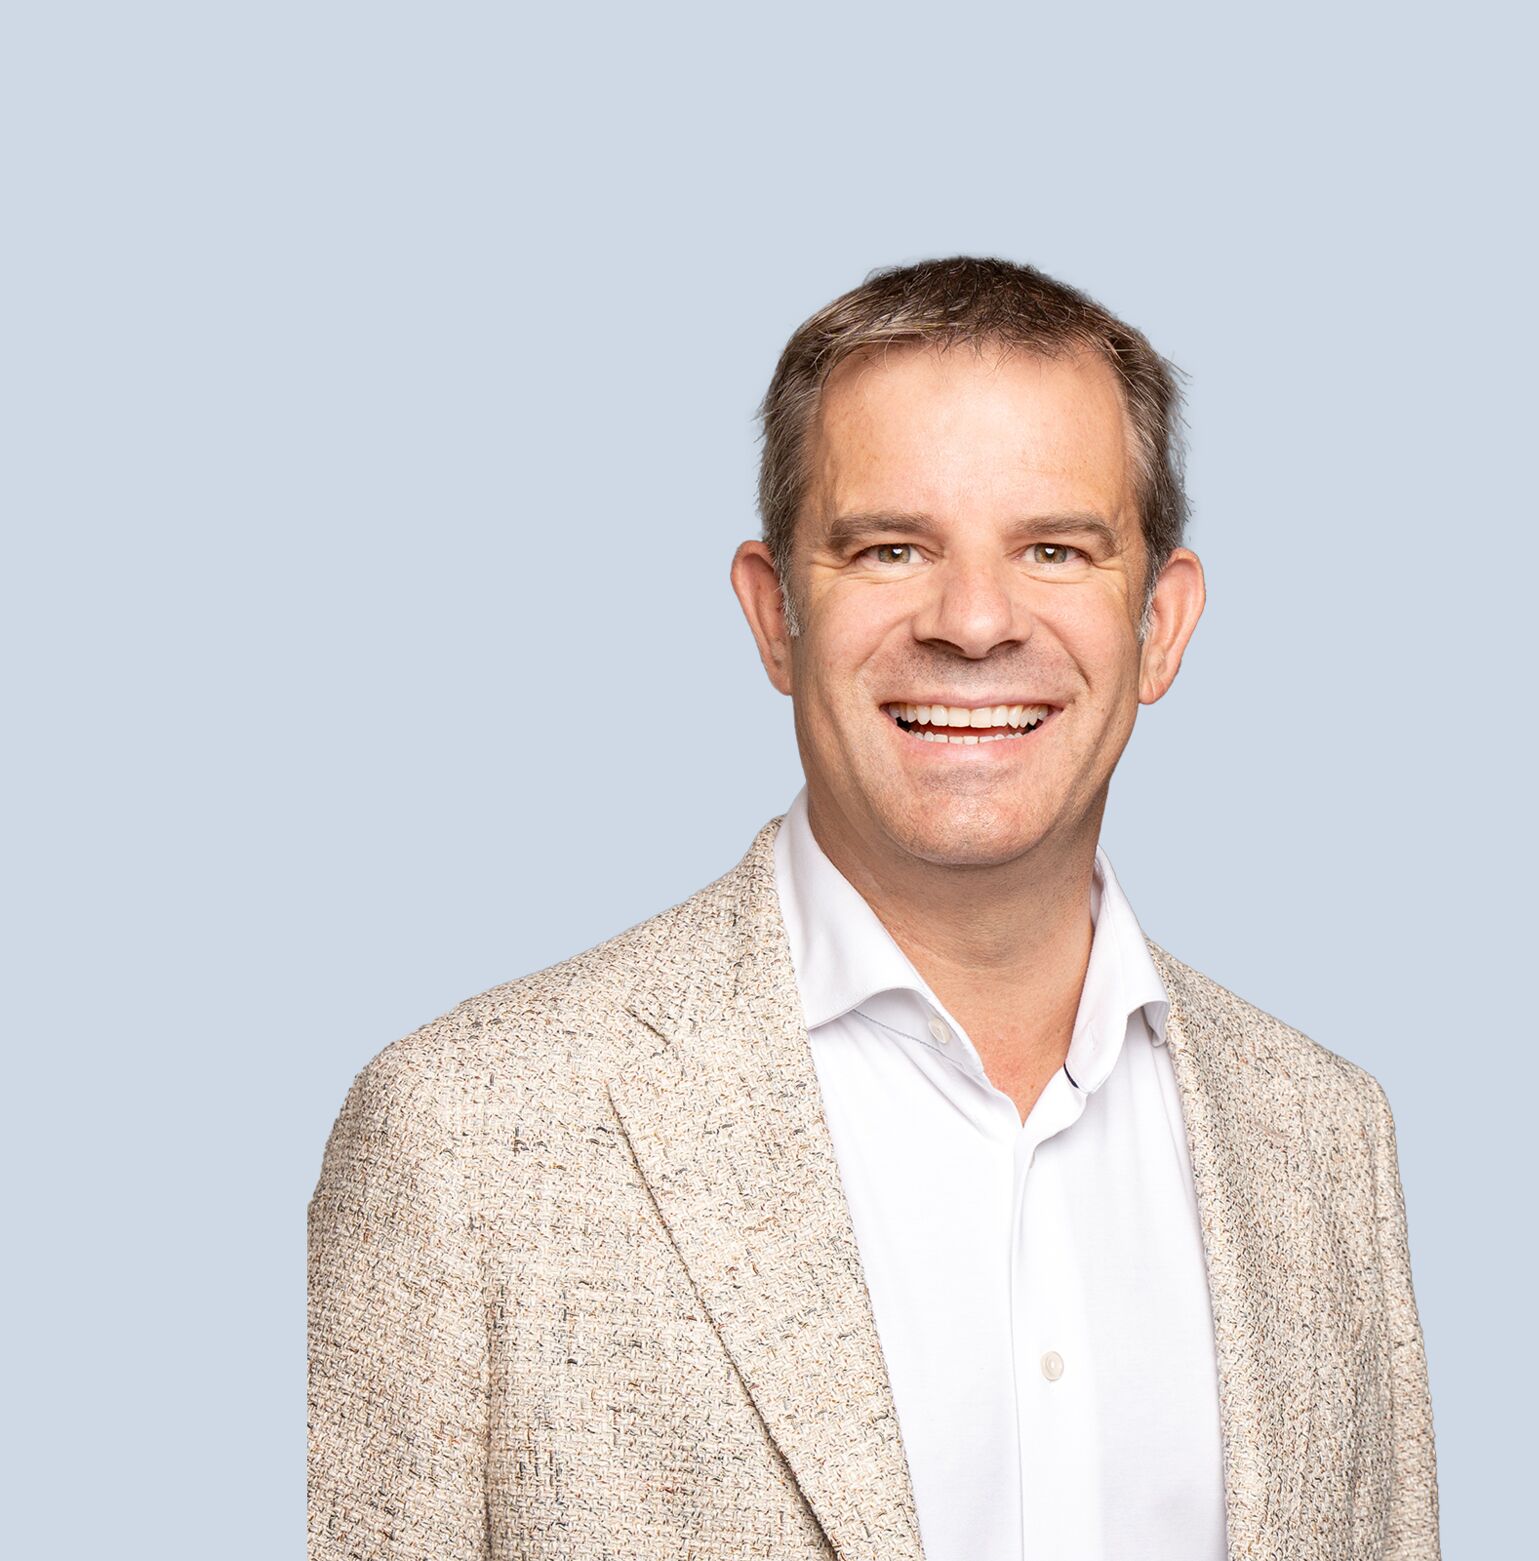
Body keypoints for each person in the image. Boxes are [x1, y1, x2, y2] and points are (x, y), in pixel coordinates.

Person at [307, 256, 1440, 1561]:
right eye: (890, 547)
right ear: (775, 612)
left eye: (1055, 548)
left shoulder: (1325, 1146)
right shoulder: (462, 1141)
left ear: (1162, 625)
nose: (972, 621)